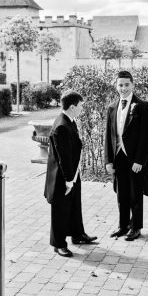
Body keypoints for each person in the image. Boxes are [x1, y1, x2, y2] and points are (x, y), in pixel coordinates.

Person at [43, 91, 97, 257]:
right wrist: (68, 180)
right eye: (81, 106)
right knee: (60, 210)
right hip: (62, 177)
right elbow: (63, 157)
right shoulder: (61, 126)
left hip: (72, 173)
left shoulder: (69, 120)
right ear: (73, 106)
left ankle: (77, 234)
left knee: (74, 205)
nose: (82, 109)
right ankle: (58, 244)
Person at [104, 70, 148, 241]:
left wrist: (140, 159)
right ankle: (123, 225)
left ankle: (136, 227)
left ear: (132, 84)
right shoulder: (111, 107)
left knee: (135, 193)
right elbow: (108, 136)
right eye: (120, 85)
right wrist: (108, 160)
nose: (123, 88)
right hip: (118, 157)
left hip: (134, 158)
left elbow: (146, 135)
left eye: (126, 85)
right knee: (121, 193)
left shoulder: (142, 105)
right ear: (116, 86)